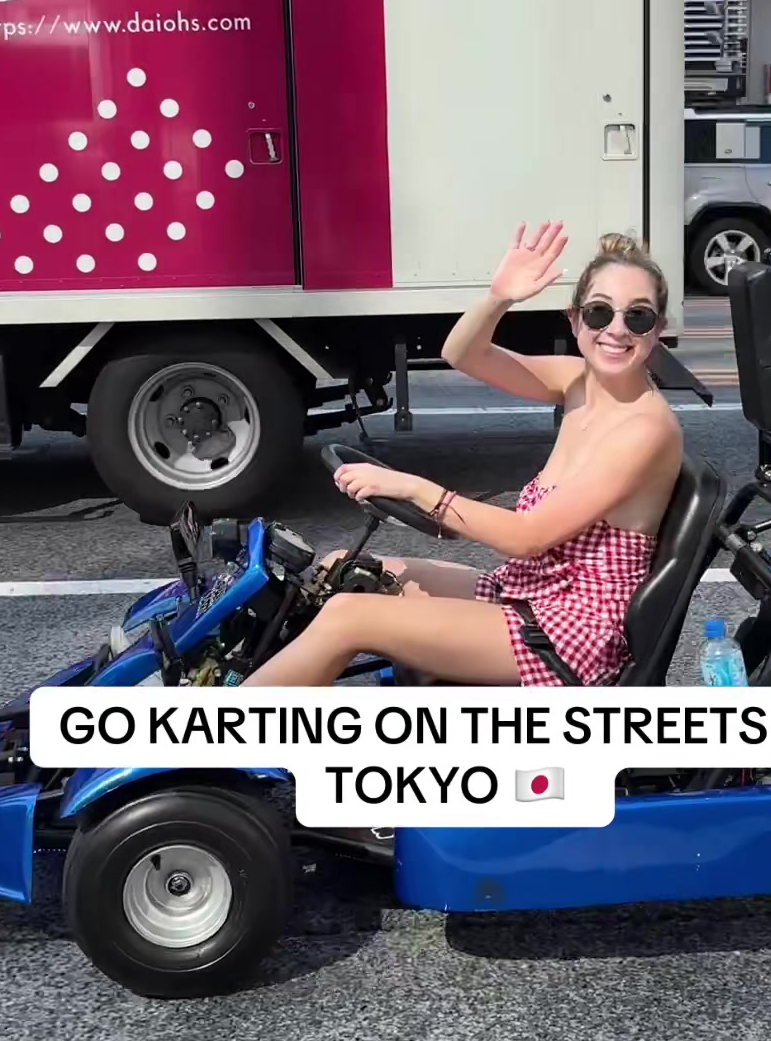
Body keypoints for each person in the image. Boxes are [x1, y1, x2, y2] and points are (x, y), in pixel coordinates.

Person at [242, 223, 684, 692]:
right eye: (600, 312)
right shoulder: (579, 381)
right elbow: (463, 354)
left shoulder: (645, 429)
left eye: (638, 317)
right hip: (527, 591)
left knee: (348, 617)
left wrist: (415, 488)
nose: (616, 329)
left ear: (658, 329)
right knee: (340, 569)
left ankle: (217, 729)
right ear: (575, 320)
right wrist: (499, 298)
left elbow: (527, 536)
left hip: (571, 633)